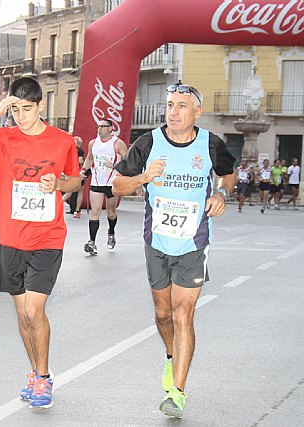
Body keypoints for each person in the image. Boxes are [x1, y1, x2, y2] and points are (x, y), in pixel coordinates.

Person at [112, 83, 236, 419]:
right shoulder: (147, 142)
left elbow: (228, 174)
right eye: (170, 105)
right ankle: (171, 356)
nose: (174, 112)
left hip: (194, 243)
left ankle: (177, 392)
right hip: (157, 241)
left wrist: (222, 194)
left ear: (197, 112)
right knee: (163, 314)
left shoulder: (210, 144)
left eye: (182, 106)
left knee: (183, 314)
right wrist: (143, 178)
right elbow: (116, 184)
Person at [0, 77, 81, 409]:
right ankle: (34, 372)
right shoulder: (1, 137)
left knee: (33, 309)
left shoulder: (62, 141)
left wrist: (58, 183)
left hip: (47, 237)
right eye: (16, 110)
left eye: (27, 109)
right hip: (11, 239)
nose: (21, 117)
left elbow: (75, 178)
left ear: (40, 105)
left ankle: (43, 378)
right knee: (21, 315)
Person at [80, 118, 128, 255]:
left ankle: (111, 233)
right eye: (98, 126)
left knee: (111, 212)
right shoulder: (92, 143)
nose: (99, 129)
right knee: (95, 212)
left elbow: (128, 160)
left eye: (103, 126)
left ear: (110, 128)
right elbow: (90, 158)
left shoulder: (117, 143)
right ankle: (92, 242)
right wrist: (83, 170)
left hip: (112, 182)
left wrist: (114, 166)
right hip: (96, 181)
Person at [63, 136, 86, 217]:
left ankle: (58, 204)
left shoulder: (67, 149)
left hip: (68, 172)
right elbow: (81, 161)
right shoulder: (79, 151)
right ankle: (77, 211)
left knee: (69, 191)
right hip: (77, 173)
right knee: (78, 192)